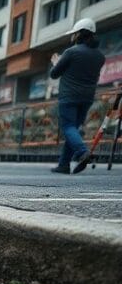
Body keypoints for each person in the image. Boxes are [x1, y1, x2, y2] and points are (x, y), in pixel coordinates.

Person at [49, 18, 106, 175]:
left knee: (68, 127)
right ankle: (64, 165)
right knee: (72, 128)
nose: (72, 37)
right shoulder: (100, 56)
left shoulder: (71, 52)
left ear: (79, 34)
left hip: (69, 96)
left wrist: (56, 63)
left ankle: (82, 152)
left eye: (74, 34)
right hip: (87, 98)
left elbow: (54, 74)